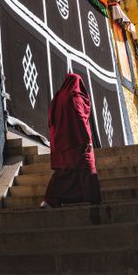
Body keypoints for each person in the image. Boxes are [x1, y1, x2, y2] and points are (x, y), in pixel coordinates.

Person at [41, 73, 102, 208]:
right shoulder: (75, 97)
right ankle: (93, 200)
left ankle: (50, 200)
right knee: (87, 168)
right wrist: (87, 140)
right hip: (77, 142)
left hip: (61, 143)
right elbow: (80, 118)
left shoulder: (57, 98)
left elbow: (51, 120)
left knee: (65, 172)